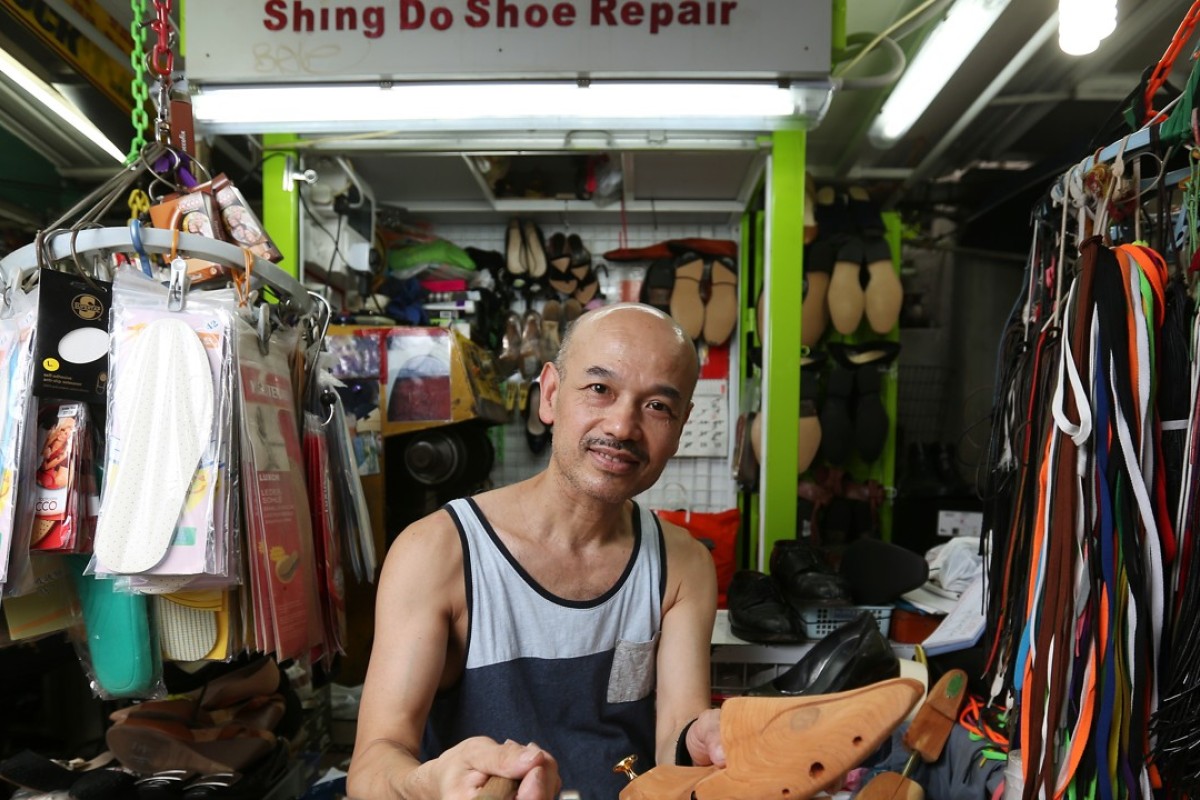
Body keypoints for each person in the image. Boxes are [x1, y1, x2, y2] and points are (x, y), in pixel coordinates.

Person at [348, 303, 725, 800]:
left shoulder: (682, 565)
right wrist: (428, 783)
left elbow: (676, 732)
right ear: (550, 395)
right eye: (600, 389)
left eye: (657, 406)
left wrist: (696, 741)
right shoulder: (438, 553)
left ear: (680, 426)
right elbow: (374, 764)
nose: (622, 427)